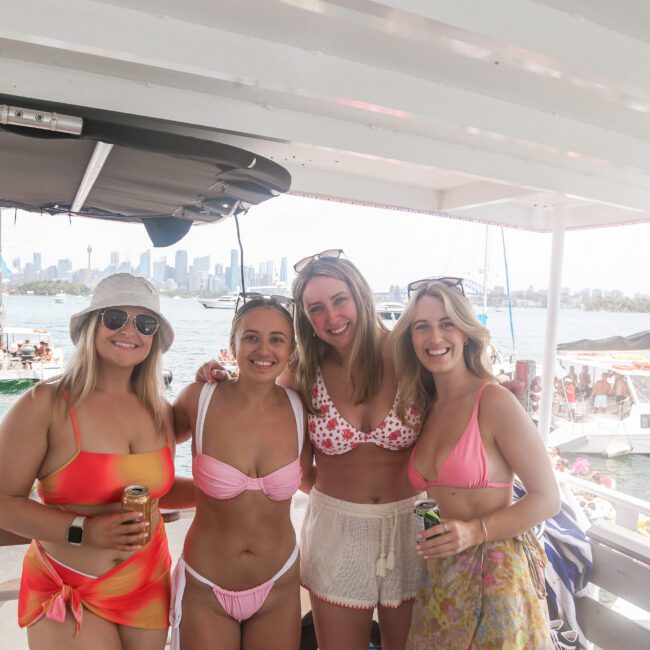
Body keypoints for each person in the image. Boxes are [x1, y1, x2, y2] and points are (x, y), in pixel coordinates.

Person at [198, 252, 423, 650]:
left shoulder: (410, 356)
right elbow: (261, 406)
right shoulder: (303, 370)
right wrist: (217, 379)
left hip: (413, 523)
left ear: (361, 295)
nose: (331, 317)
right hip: (336, 526)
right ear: (305, 317)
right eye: (316, 308)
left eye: (339, 300)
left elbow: (463, 395)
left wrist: (497, 392)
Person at [0, 273, 177, 649]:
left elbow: (158, 490)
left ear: (154, 338)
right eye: (115, 318)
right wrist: (83, 530)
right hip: (68, 584)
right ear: (92, 325)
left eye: (145, 323)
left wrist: (239, 492)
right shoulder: (44, 405)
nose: (129, 330)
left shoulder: (160, 410)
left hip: (148, 581)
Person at [390, 278, 560, 649]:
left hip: (494, 576)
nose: (435, 337)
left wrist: (474, 531)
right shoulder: (425, 404)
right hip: (440, 578)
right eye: (422, 327)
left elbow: (548, 499)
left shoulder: (494, 401)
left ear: (466, 332)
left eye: (447, 323)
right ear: (411, 338)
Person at [170, 297, 309, 650]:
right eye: (251, 337)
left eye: (277, 339)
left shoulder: (300, 410)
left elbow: (323, 478)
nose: (264, 349)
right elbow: (146, 460)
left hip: (279, 584)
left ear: (291, 351)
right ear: (233, 345)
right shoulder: (198, 399)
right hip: (205, 585)